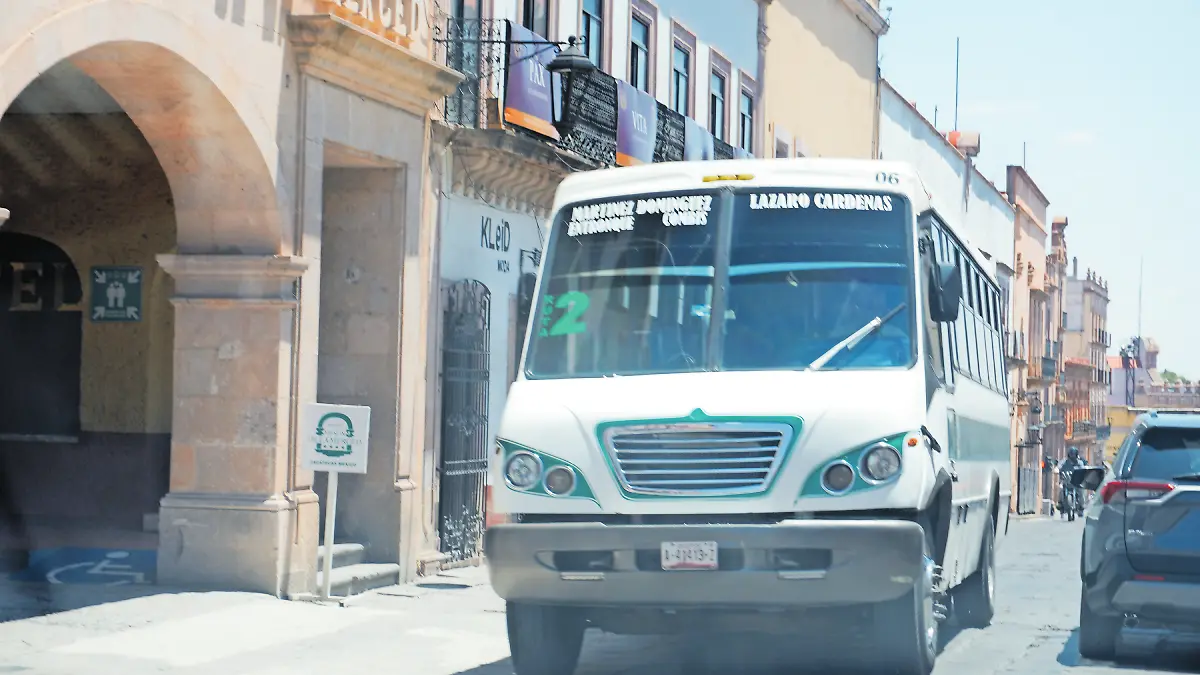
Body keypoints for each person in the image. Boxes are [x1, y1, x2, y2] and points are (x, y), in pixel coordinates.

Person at [1059, 447, 1087, 517]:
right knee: (1060, 490)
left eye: (1074, 454)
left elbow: (1083, 470)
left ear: (1076, 454)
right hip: (1067, 481)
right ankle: (1061, 505)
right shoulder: (1065, 462)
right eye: (1071, 454)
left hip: (1076, 482)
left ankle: (1081, 508)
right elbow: (1060, 467)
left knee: (1081, 492)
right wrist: (1058, 470)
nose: (1072, 456)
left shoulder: (1080, 463)